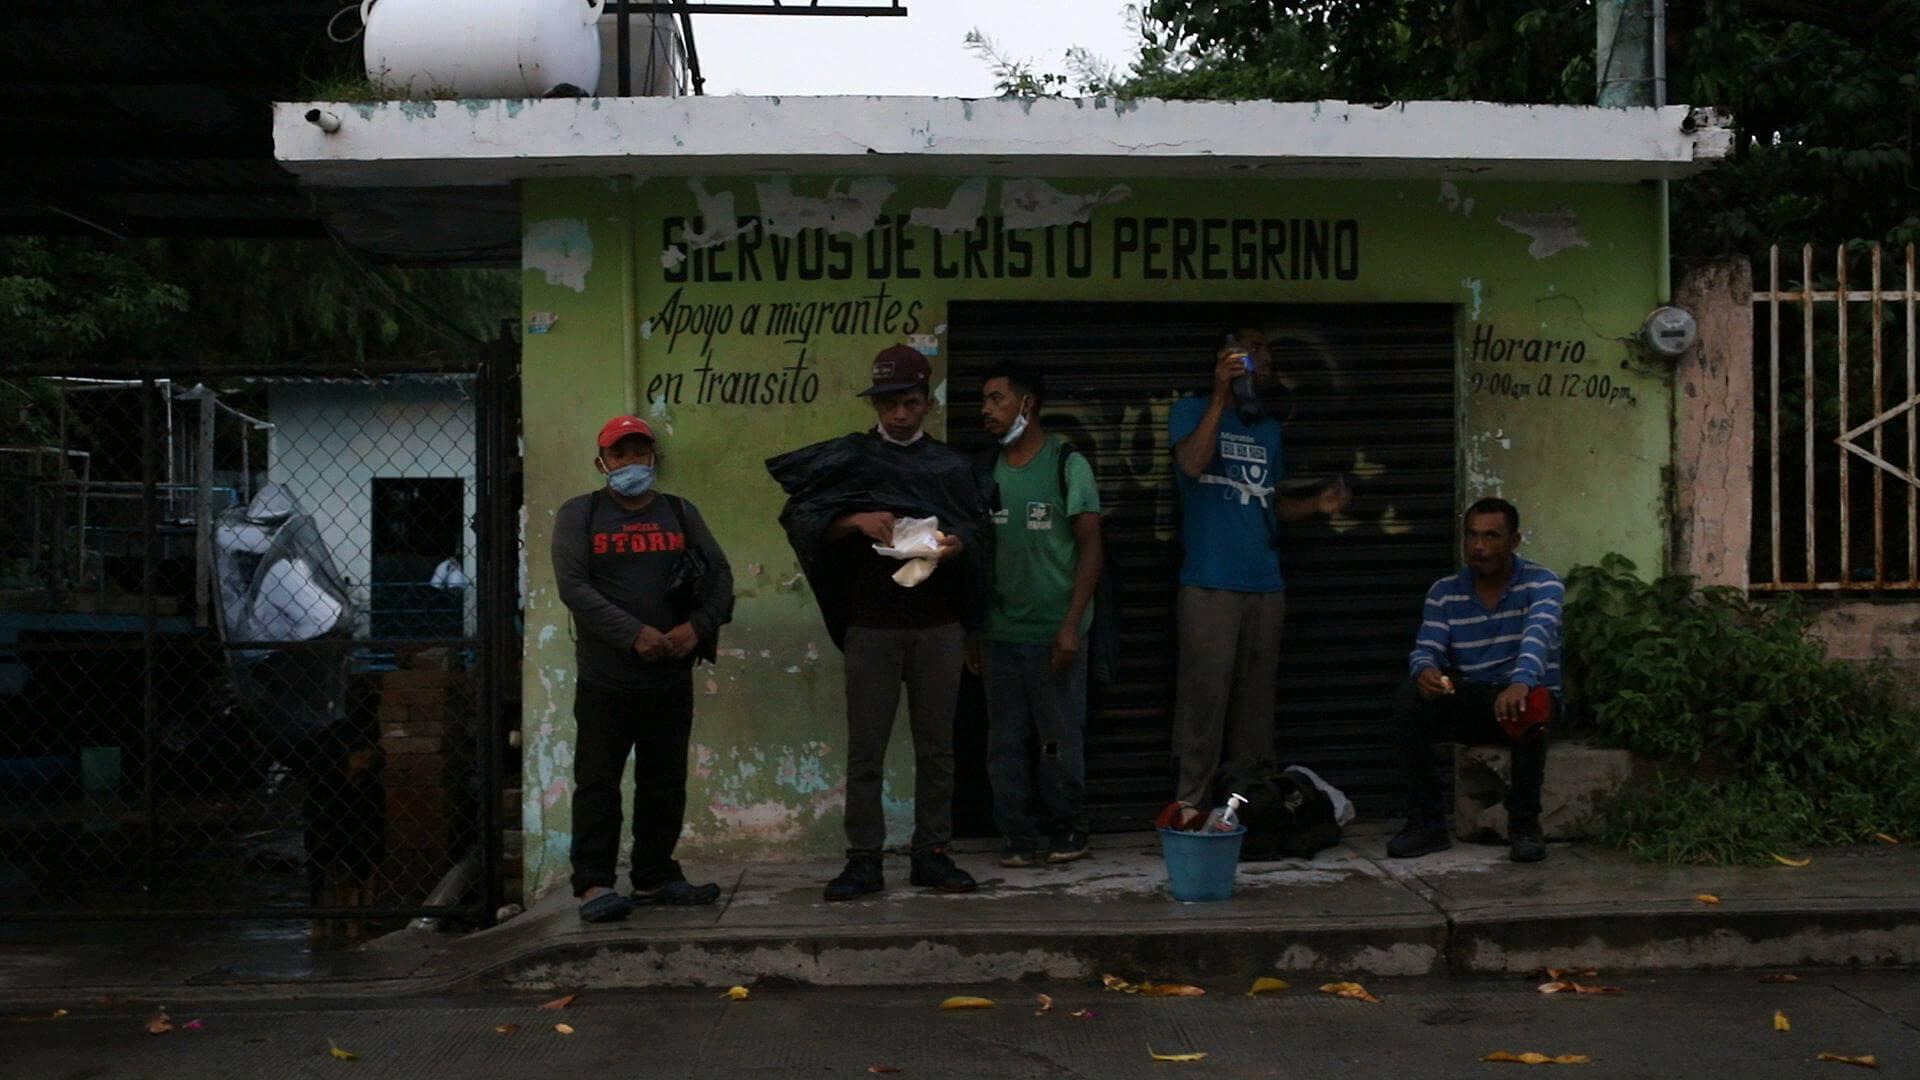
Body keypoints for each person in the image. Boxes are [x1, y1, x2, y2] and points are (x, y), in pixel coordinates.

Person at [766, 345, 991, 901]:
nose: (898, 415)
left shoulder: (952, 466)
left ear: (926, 402)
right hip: (871, 625)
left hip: (939, 625)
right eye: (888, 404)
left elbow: (981, 533)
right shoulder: (850, 460)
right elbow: (801, 517)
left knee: (938, 746)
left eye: (909, 403)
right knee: (866, 747)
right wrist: (853, 520)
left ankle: (932, 853)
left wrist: (959, 546)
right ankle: (863, 859)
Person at [551, 415, 735, 921]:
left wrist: (695, 628)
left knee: (664, 781)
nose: (631, 462)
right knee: (598, 782)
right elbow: (574, 588)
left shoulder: (679, 512)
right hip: (606, 678)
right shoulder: (581, 515)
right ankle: (593, 886)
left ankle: (655, 877)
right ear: (602, 462)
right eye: (620, 453)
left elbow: (720, 576)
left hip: (670, 676)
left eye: (640, 452)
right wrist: (634, 634)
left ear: (653, 458)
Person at [1167, 326, 1349, 827]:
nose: (1260, 355)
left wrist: (1317, 504)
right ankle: (1189, 805)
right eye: (1250, 346)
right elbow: (1191, 464)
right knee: (1204, 704)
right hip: (1210, 584)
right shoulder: (1192, 411)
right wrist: (1221, 395)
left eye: (1264, 348)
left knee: (1255, 714)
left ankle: (1245, 809)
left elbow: (1268, 505)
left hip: (1265, 587)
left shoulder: (1268, 430)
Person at [971, 361, 1104, 867]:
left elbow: (1092, 549)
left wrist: (1071, 624)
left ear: (1026, 405)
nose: (986, 410)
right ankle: (1018, 837)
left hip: (1056, 637)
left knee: (1058, 740)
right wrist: (974, 630)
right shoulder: (986, 471)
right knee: (1004, 744)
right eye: (984, 400)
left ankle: (1069, 828)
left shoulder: (1067, 463)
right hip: (1000, 635)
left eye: (996, 399)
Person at [1386, 497, 1563, 864]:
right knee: (1408, 701)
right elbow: (1426, 649)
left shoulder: (1542, 583)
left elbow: (1538, 636)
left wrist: (1521, 681)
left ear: (1513, 541)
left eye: (1491, 536)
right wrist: (1426, 673)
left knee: (1530, 705)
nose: (1479, 547)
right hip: (1476, 697)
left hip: (1526, 695)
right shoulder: (1444, 591)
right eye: (1472, 536)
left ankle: (1525, 826)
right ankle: (1427, 824)